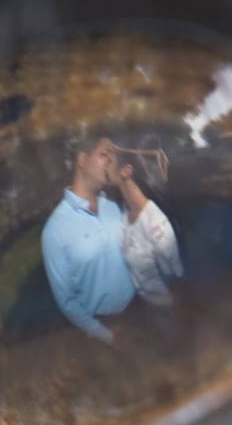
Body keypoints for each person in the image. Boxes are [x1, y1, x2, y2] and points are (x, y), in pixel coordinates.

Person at [41, 137, 135, 343]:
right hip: (101, 328)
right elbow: (66, 301)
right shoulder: (54, 230)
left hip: (139, 312)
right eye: (104, 155)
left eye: (113, 158)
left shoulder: (113, 208)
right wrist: (106, 335)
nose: (111, 162)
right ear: (82, 160)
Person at [108, 145, 184, 306]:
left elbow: (178, 280)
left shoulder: (155, 222)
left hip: (167, 311)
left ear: (126, 171)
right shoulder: (123, 216)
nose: (104, 166)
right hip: (145, 310)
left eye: (109, 161)